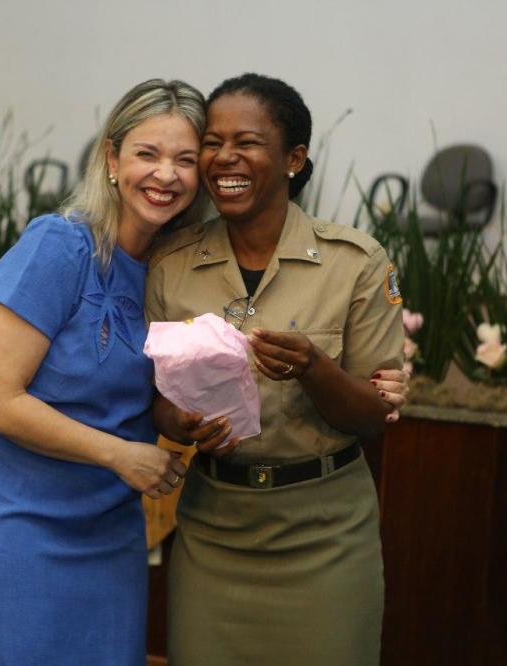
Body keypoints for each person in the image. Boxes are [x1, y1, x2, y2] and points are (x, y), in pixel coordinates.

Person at [0, 78, 233, 666]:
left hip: (109, 531)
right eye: (148, 154)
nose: (166, 175)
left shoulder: (178, 275)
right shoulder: (59, 245)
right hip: (11, 523)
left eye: (185, 160)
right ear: (112, 159)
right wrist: (121, 455)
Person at [147, 73, 405, 665]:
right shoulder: (171, 263)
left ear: (294, 158)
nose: (224, 158)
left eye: (248, 142)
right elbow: (155, 398)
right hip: (214, 530)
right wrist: (182, 422)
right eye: (211, 142)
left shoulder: (355, 264)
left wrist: (314, 368)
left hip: (324, 536)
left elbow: (375, 415)